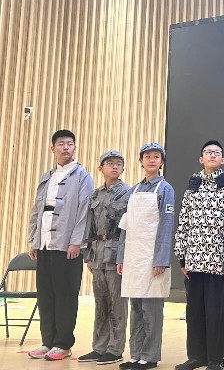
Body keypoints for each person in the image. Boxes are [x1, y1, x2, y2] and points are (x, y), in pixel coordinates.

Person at [27, 129, 94, 361]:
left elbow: (84, 211)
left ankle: (63, 343)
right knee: (46, 295)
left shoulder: (82, 176)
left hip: (67, 247)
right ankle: (48, 341)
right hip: (45, 244)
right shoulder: (46, 177)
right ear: (52, 148)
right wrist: (34, 239)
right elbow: (37, 210)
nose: (65, 147)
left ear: (74, 148)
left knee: (65, 295)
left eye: (69, 144)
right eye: (61, 144)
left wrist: (77, 241)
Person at [174, 140, 224, 370]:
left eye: (217, 153)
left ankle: (216, 360)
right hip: (193, 261)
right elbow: (183, 222)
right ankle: (196, 356)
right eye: (208, 152)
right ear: (201, 159)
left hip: (219, 263)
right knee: (195, 313)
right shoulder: (193, 187)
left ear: (223, 160)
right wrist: (182, 257)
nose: (212, 155)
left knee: (217, 314)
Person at [117, 143, 175, 370]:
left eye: (156, 156)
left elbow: (166, 226)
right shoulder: (133, 191)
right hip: (133, 258)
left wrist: (161, 259)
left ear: (162, 162)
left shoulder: (165, 189)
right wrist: (121, 257)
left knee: (151, 310)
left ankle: (149, 357)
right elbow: (125, 226)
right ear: (141, 161)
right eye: (147, 156)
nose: (151, 160)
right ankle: (135, 354)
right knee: (136, 308)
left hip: (152, 258)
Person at [79, 150, 130, 365]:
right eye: (110, 163)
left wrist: (123, 257)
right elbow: (89, 226)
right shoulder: (95, 195)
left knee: (117, 303)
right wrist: (88, 255)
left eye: (118, 163)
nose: (115, 167)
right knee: (100, 303)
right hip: (97, 253)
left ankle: (115, 349)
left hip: (116, 253)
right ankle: (99, 347)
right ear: (101, 168)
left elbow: (128, 228)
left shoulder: (128, 193)